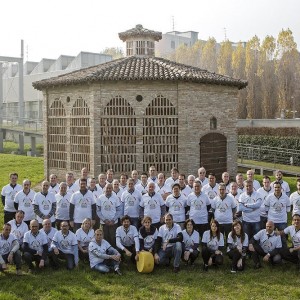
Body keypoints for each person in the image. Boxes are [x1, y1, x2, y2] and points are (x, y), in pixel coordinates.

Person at [96, 183, 121, 248]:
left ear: (112, 189)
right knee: (105, 238)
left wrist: (113, 220)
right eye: (107, 188)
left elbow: (119, 210)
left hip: (113, 223)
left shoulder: (115, 197)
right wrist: (104, 220)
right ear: (105, 188)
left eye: (110, 188)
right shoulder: (100, 197)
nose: (108, 189)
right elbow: (98, 211)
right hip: (104, 223)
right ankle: (106, 253)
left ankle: (114, 253)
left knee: (113, 238)